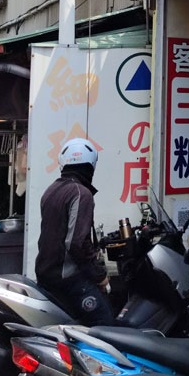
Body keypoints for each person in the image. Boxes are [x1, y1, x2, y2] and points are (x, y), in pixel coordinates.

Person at [35, 137, 115, 325]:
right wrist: (100, 275)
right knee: (105, 325)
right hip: (69, 281)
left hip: (46, 276)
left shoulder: (51, 191)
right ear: (91, 165)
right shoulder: (81, 193)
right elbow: (76, 243)